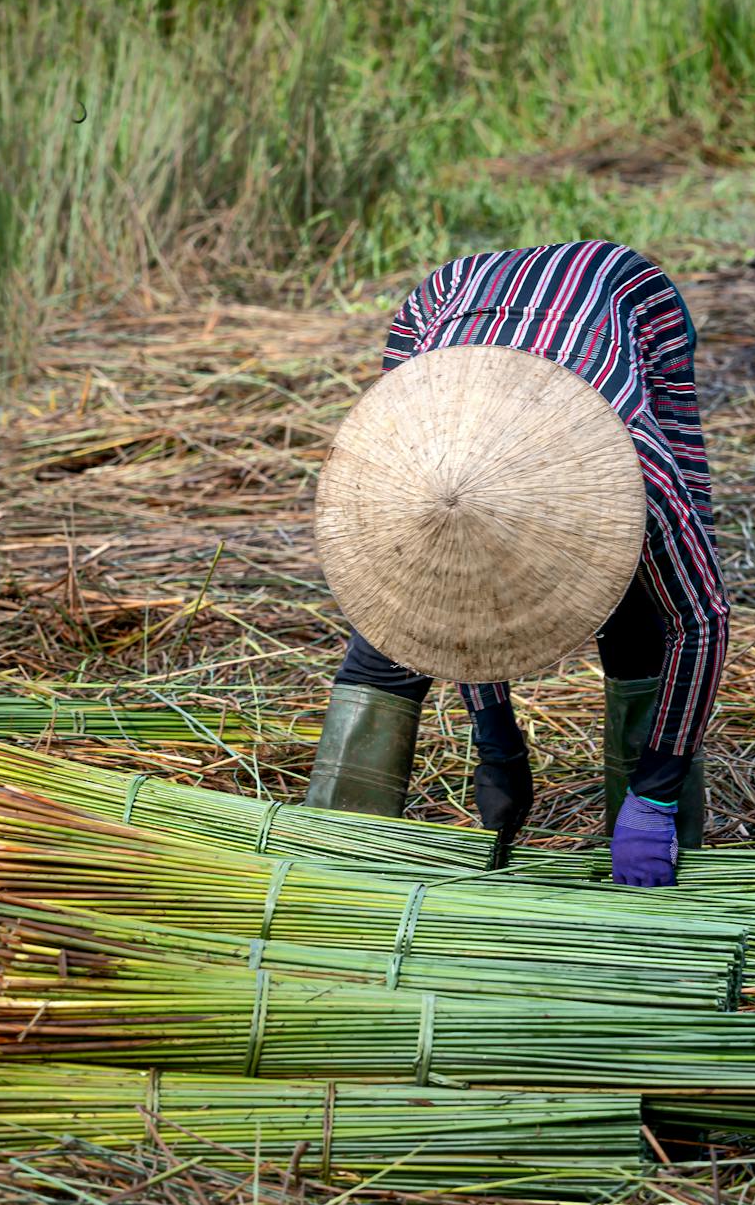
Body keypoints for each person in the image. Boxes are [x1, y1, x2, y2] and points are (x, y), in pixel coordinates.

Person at [306, 241, 729, 888]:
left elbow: (701, 622)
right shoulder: (394, 461)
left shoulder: (635, 460)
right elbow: (461, 607)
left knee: (643, 620)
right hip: (452, 303)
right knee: (392, 633)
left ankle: (654, 872)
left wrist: (658, 789)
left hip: (622, 301)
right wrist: (495, 737)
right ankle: (332, 870)